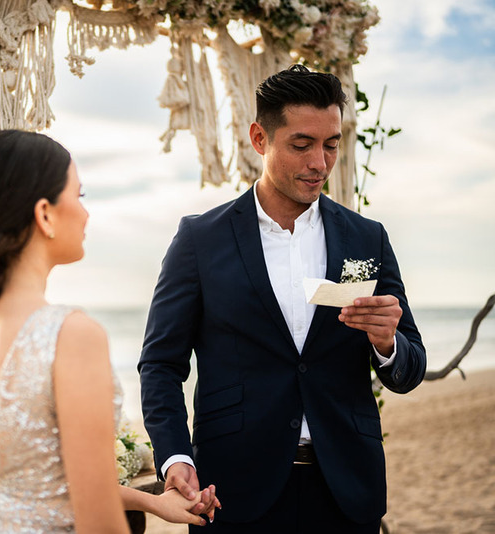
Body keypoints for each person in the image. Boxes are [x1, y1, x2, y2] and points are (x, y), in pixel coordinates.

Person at [138, 64, 427, 533]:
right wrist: (174, 456)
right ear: (259, 138)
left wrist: (387, 344)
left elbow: (409, 369)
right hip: (232, 492)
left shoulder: (366, 239)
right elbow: (161, 364)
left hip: (347, 491)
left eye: (331, 144)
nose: (320, 162)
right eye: (302, 145)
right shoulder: (199, 240)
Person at [0, 129, 219, 533]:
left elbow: (30, 486)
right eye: (79, 196)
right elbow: (100, 524)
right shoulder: (71, 335)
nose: (86, 213)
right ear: (45, 213)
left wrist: (152, 502)